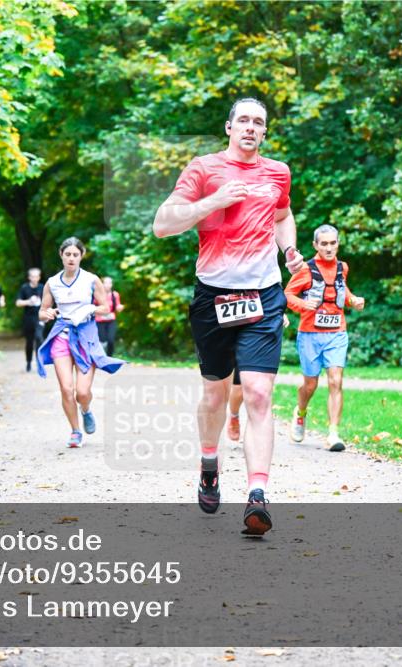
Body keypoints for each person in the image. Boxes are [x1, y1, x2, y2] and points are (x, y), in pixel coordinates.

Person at [153, 97, 304, 536]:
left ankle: (257, 495)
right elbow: (163, 224)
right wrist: (212, 201)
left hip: (264, 296)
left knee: (257, 393)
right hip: (213, 296)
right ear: (229, 127)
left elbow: (283, 213)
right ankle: (208, 461)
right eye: (244, 121)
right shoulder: (203, 169)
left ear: (265, 132)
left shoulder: (278, 172)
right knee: (216, 394)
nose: (252, 128)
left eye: (259, 122)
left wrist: (289, 250)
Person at [37, 238, 126, 448]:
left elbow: (106, 307)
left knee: (82, 392)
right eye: (67, 254)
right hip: (62, 334)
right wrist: (46, 313)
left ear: (81, 255)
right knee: (66, 389)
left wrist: (90, 309)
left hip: (85, 334)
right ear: (61, 255)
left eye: (75, 254)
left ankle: (85, 410)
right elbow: (42, 312)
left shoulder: (91, 280)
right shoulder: (52, 283)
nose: (71, 258)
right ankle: (75, 431)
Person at [283, 224, 365, 452]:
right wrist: (303, 304)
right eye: (324, 244)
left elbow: (341, 290)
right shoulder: (306, 270)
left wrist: (352, 300)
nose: (329, 248)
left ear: (338, 243)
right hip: (309, 334)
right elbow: (287, 294)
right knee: (310, 384)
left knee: (335, 380)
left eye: (333, 243)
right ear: (315, 245)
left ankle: (333, 434)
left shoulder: (342, 267)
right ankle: (300, 413)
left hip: (337, 332)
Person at [16, 267, 45, 372]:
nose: (34, 278)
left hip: (40, 318)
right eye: (32, 276)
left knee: (39, 338)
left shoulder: (42, 288)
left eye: (36, 276)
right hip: (28, 318)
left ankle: (39, 362)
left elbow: (49, 302)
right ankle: (28, 362)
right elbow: (18, 303)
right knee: (29, 342)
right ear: (29, 277)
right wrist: (29, 301)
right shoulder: (24, 288)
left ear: (39, 277)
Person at [95, 276, 124, 356]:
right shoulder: (98, 294)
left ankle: (109, 357)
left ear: (111, 285)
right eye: (106, 283)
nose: (108, 285)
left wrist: (119, 307)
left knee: (111, 340)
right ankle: (100, 355)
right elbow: (93, 306)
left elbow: (117, 306)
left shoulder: (115, 295)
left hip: (111, 320)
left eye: (109, 283)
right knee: (102, 340)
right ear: (102, 284)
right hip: (100, 320)